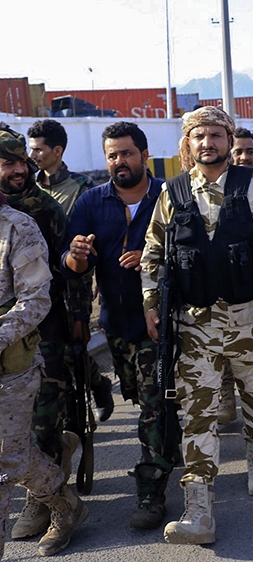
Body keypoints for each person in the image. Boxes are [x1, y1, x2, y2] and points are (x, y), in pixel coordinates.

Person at [140, 106, 253, 545]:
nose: (207, 143)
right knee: (196, 414)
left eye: (215, 135)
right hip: (194, 325)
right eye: (199, 136)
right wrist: (152, 303)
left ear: (229, 141)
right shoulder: (171, 192)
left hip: (252, 318)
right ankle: (200, 511)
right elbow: (153, 253)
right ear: (188, 144)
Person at [62, 122, 178, 530]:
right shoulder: (91, 202)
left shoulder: (170, 196)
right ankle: (169, 443)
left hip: (161, 323)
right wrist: (76, 255)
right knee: (137, 394)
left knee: (152, 407)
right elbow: (72, 264)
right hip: (116, 322)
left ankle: (151, 492)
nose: (119, 162)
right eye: (112, 155)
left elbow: (194, 250)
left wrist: (152, 255)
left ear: (144, 154)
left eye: (126, 153)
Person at [0, 125, 86, 543]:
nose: (19, 169)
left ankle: (46, 503)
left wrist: (79, 320)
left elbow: (67, 276)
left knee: (41, 423)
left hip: (41, 336)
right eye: (9, 162)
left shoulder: (38, 213)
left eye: (22, 160)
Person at [28, 119, 115, 423]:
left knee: (72, 343)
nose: (33, 154)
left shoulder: (81, 188)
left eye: (39, 149)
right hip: (37, 281)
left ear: (57, 150)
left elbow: (91, 241)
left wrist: (86, 300)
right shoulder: (27, 186)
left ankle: (96, 385)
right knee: (50, 349)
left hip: (72, 279)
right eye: (31, 148)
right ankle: (86, 393)